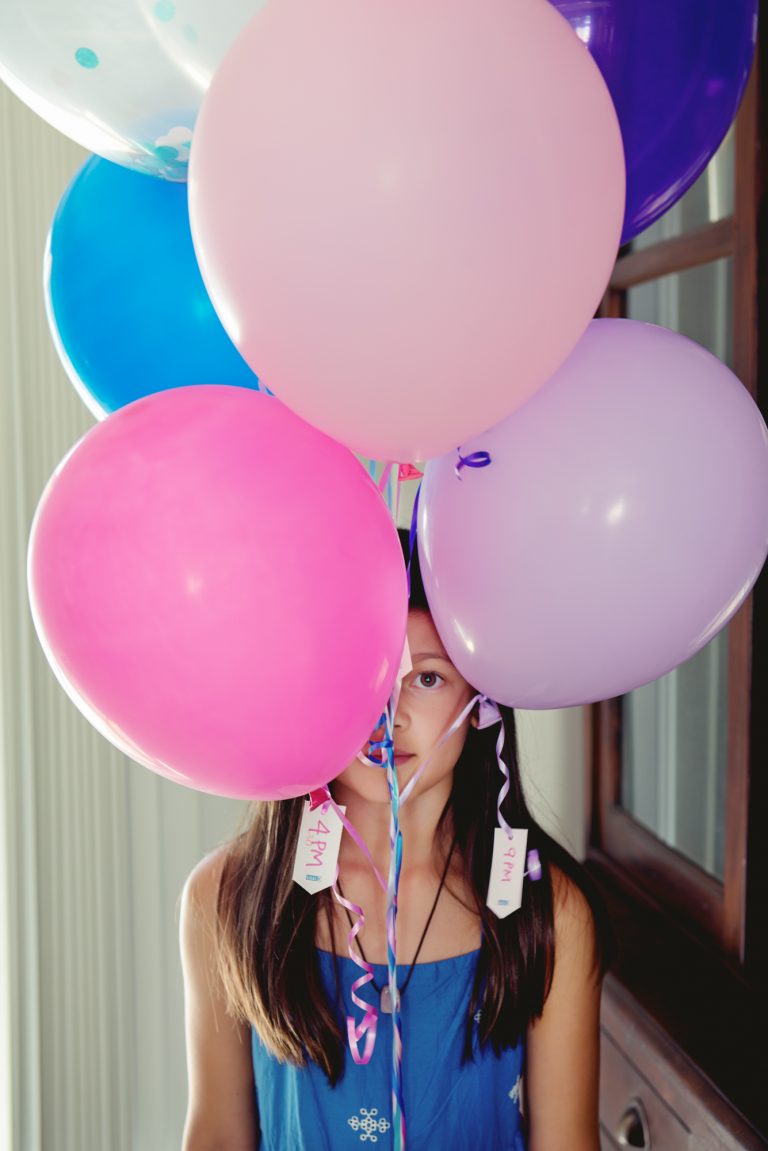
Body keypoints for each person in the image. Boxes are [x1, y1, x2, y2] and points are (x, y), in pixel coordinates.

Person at [180, 527, 612, 1151]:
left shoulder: (550, 911)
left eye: (428, 678)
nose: (392, 711)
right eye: (365, 668)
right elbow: (217, 1135)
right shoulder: (222, 898)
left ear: (481, 699)